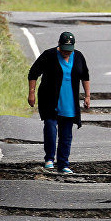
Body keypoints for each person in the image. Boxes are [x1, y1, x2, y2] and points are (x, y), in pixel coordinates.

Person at [27, 31, 90, 174]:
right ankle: (49, 158)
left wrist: (87, 96)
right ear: (58, 45)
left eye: (69, 50)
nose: (66, 53)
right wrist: (31, 93)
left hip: (69, 100)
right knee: (50, 126)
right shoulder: (48, 55)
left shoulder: (78, 56)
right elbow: (33, 73)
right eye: (64, 50)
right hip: (49, 98)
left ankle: (63, 164)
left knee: (66, 133)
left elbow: (85, 75)